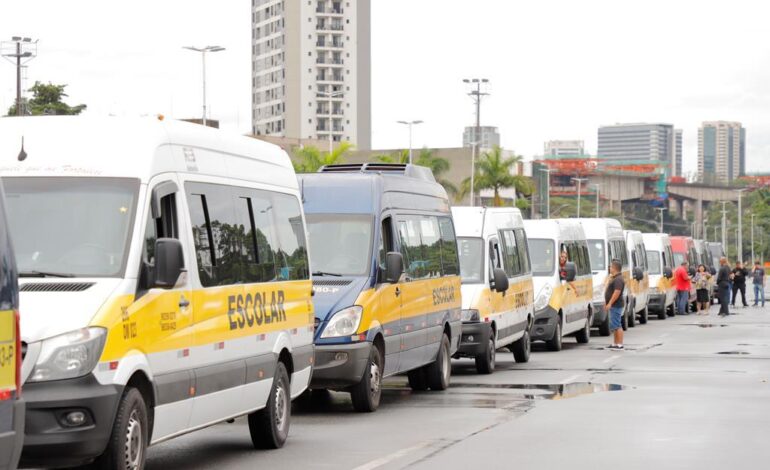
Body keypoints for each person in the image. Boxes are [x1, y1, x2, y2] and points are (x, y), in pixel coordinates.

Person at [605, 259, 625, 350]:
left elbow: (616, 292)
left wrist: (610, 303)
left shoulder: (618, 279)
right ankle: (615, 343)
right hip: (614, 305)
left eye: (611, 267)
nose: (609, 268)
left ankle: (620, 344)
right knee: (614, 325)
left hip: (616, 305)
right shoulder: (614, 278)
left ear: (615, 268)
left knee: (617, 325)